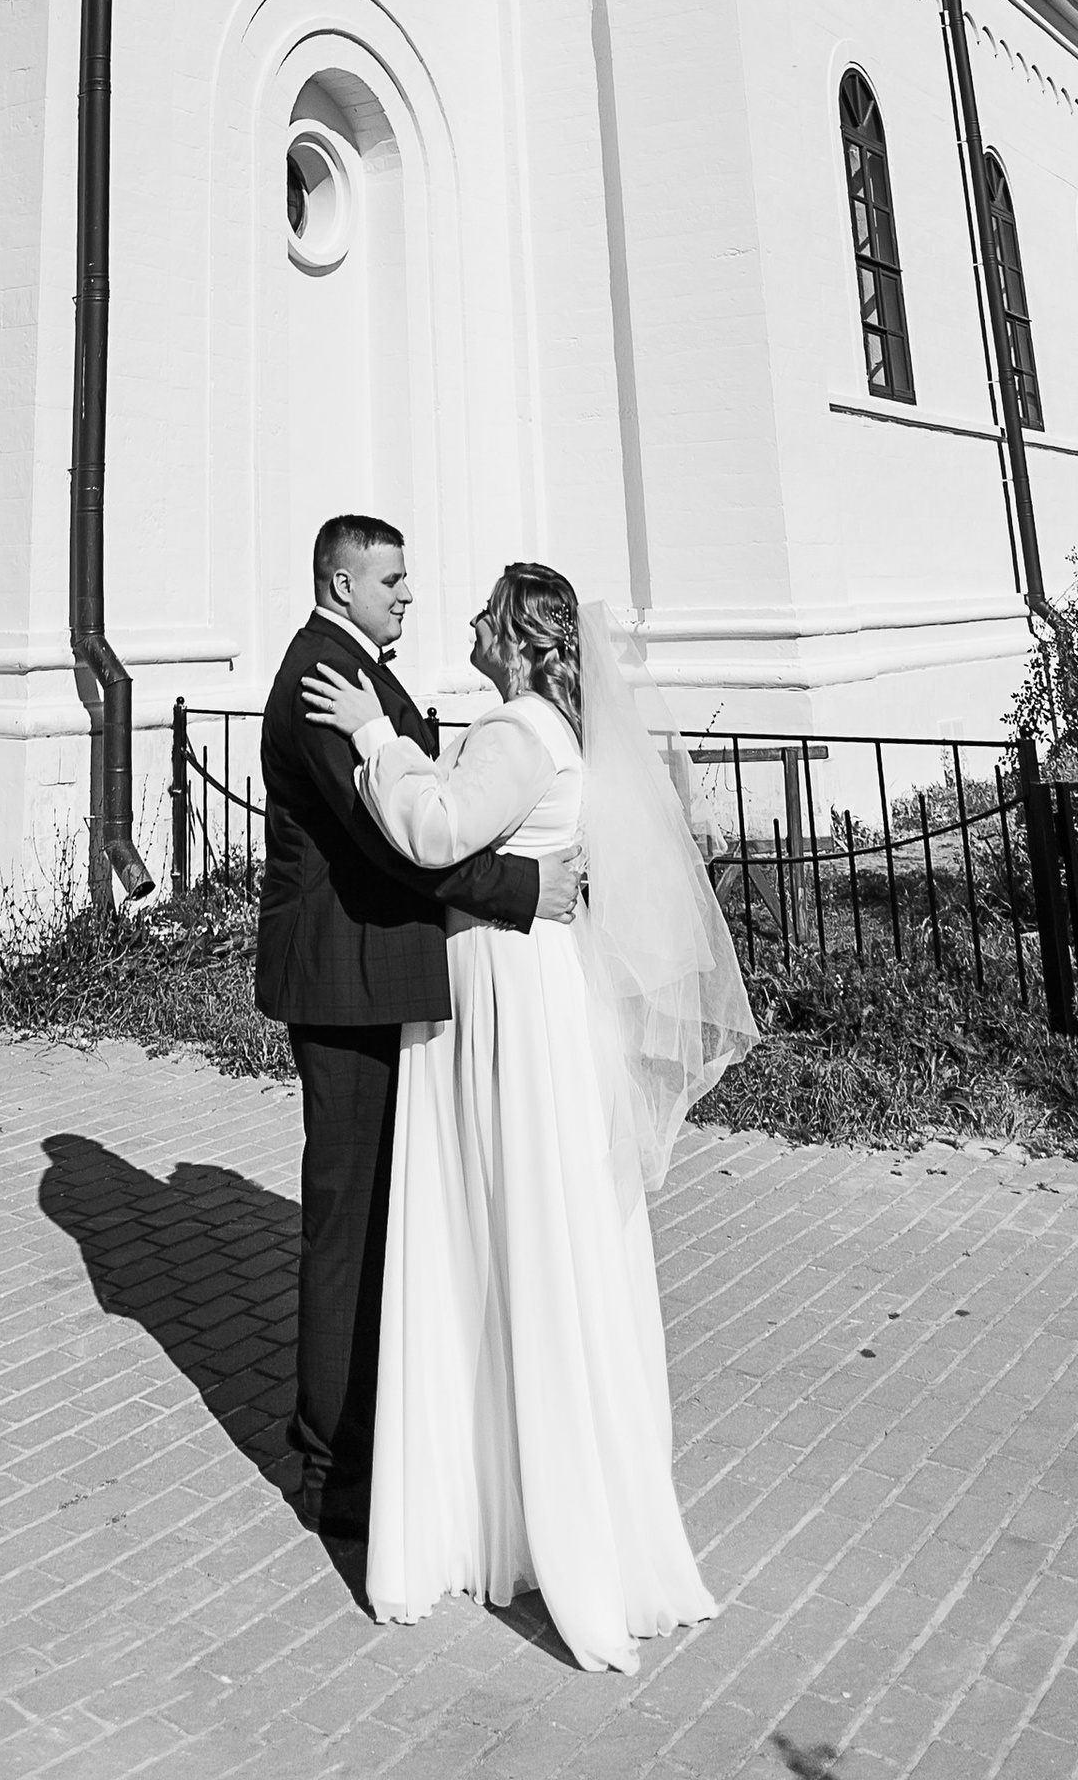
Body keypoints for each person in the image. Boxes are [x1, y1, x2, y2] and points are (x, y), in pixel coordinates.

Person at [300, 560, 756, 1673]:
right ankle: (540, 1498)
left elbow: (432, 829)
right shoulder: (563, 727)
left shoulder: (514, 731)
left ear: (514, 636)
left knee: (493, 1230)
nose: (458, 618)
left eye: (480, 613)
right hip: (544, 988)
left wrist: (373, 737)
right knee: (543, 1230)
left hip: (499, 997)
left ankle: (499, 1512)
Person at [256, 517, 581, 1544]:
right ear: (338, 579)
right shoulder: (322, 678)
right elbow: (401, 847)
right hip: (347, 983)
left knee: (391, 1218)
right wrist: (526, 886)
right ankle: (337, 1471)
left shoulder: (365, 673)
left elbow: (426, 800)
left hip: (386, 978)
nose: (408, 595)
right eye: (390, 579)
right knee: (348, 1224)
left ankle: (387, 1436)